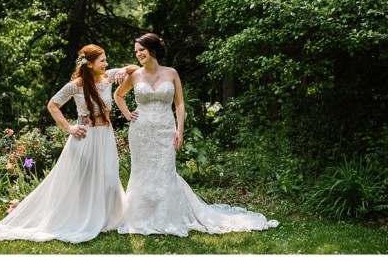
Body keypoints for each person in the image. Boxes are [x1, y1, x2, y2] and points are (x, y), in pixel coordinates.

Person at [0, 44, 137, 243]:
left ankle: (108, 218)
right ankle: (86, 219)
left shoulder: (108, 77)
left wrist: (124, 69)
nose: (106, 63)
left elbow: (135, 68)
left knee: (109, 177)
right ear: (89, 64)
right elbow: (53, 105)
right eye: (102, 60)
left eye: (106, 60)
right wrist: (69, 128)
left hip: (105, 135)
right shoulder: (76, 85)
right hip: (86, 137)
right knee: (85, 180)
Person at [113, 32, 279, 236]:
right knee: (142, 172)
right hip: (141, 131)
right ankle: (141, 217)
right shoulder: (134, 75)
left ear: (153, 49)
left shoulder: (171, 73)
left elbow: (179, 103)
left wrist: (180, 130)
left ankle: (166, 217)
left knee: (165, 172)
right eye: (136, 51)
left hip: (165, 129)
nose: (138, 54)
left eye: (142, 50)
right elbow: (118, 95)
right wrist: (128, 114)